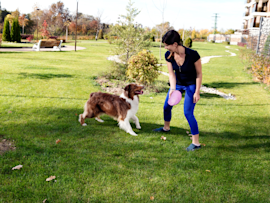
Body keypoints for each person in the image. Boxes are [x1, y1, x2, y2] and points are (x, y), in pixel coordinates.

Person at [153, 30, 202, 152]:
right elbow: (171, 74)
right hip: (178, 84)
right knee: (166, 106)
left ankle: (196, 143)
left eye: (166, 45)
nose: (165, 47)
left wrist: (197, 91)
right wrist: (173, 88)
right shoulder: (168, 55)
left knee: (188, 112)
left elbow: (199, 74)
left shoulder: (193, 55)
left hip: (191, 85)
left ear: (175, 44)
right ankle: (166, 127)